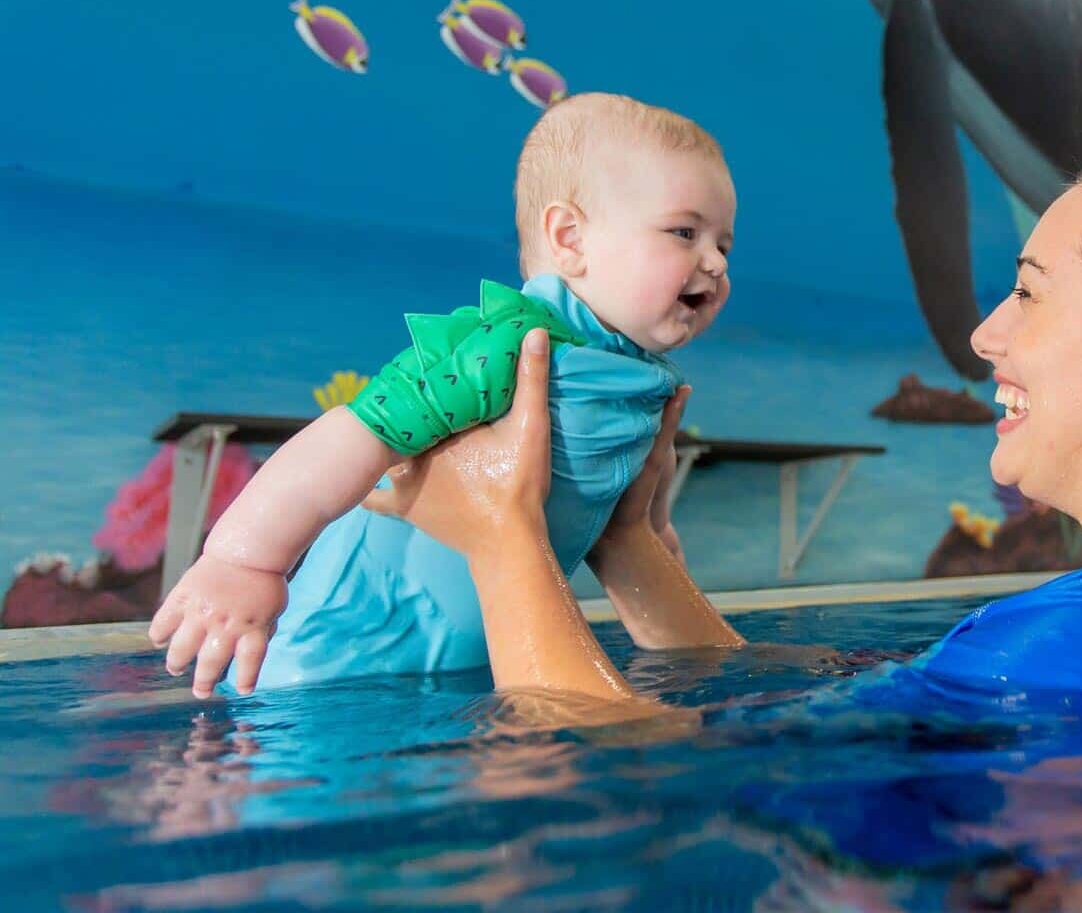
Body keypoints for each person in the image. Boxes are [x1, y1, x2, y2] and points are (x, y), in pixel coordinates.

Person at [360, 131, 1082, 712]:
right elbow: (817, 728)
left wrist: (500, 533)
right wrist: (632, 547)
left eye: (1030, 293)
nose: (989, 336)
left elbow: (633, 781)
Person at [151, 93, 741, 697]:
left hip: (469, 670)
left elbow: (645, 523)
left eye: (724, 242)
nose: (715, 262)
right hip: (344, 659)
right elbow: (357, 430)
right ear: (570, 239)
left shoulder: (642, 384)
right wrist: (245, 562)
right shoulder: (507, 346)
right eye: (684, 232)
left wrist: (664, 575)